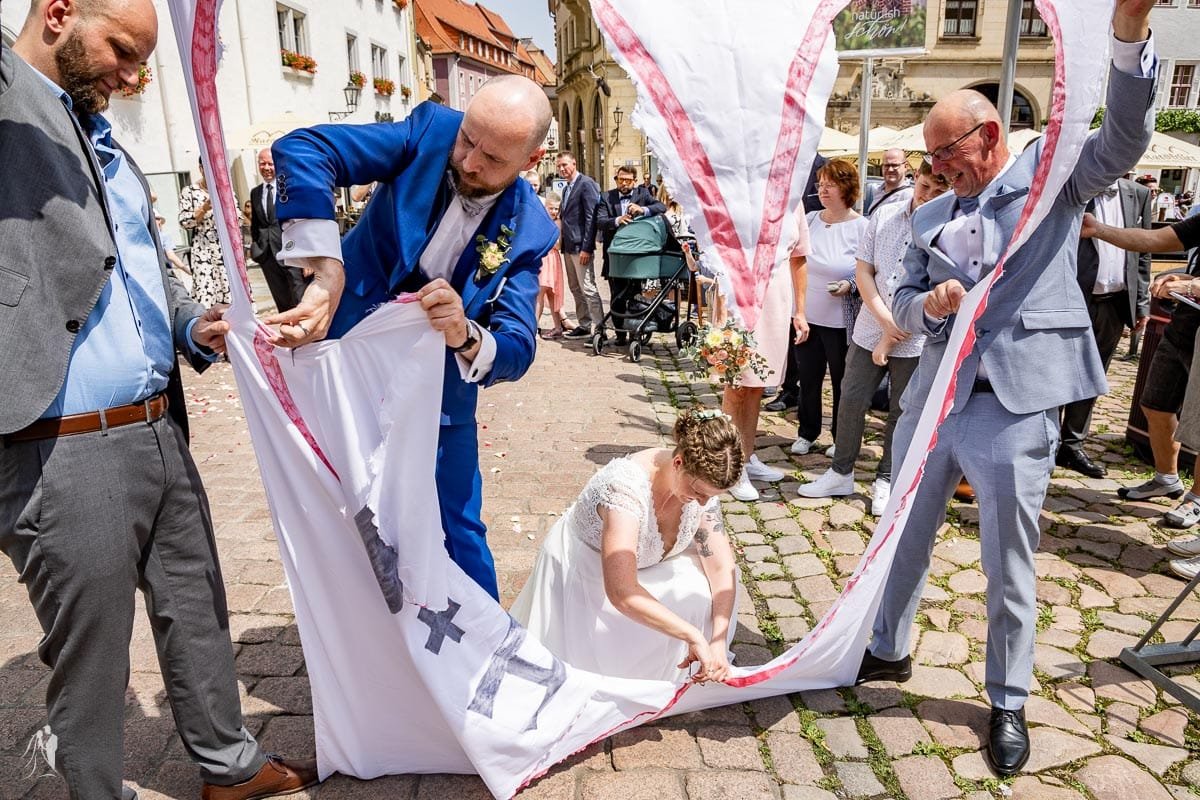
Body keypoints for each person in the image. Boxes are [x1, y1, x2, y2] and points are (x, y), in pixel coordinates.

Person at [0, 2, 317, 798]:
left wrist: (186, 322)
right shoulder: (11, 109)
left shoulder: (112, 145)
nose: (134, 75)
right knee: (94, 655)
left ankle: (228, 766)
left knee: (197, 608)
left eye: (142, 59)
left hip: (158, 428)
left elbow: (145, 262)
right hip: (60, 445)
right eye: (122, 50)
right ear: (60, 11)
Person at [855, 1, 1156, 778]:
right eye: (931, 158)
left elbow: (1123, 140)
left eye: (946, 153)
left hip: (1016, 409)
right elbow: (908, 299)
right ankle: (887, 649)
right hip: (934, 404)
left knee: (1008, 561)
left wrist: (1127, 36)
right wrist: (931, 305)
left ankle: (1009, 699)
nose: (937, 169)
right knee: (902, 538)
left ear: (987, 136)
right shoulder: (928, 218)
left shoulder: (1052, 179)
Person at [269, 75, 558, 601]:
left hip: (441, 395)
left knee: (460, 528)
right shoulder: (427, 132)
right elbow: (303, 148)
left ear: (531, 161)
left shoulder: (532, 229)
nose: (469, 162)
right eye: (469, 139)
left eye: (493, 159)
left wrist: (467, 334)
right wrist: (326, 269)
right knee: (344, 511)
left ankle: (480, 660)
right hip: (347, 359)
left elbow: (517, 345)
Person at [510, 410, 741, 683]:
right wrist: (691, 634)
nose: (703, 503)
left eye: (711, 497)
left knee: (703, 595)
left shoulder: (699, 486)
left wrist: (717, 639)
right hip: (591, 572)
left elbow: (721, 568)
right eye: (699, 493)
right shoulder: (625, 489)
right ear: (678, 462)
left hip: (652, 564)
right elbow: (621, 592)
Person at [797, 162, 950, 515]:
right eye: (924, 187)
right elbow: (864, 271)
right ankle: (841, 471)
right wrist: (883, 322)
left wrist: (894, 332)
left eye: (938, 192)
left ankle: (886, 477)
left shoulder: (948, 227)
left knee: (902, 409)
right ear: (917, 180)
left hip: (916, 335)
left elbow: (935, 291)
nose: (928, 197)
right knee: (851, 398)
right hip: (870, 326)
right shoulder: (886, 217)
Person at [1082, 211, 1200, 566]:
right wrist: (1099, 229)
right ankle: (1167, 478)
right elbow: (1156, 239)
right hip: (1184, 325)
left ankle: (1196, 499)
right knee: (1155, 404)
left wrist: (1192, 285)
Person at [1056, 177, 1153, 478]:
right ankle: (1043, 443)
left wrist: (1141, 303)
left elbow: (1143, 252)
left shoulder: (1139, 194)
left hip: (1115, 302)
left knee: (1093, 376)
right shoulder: (1077, 187)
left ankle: (1072, 445)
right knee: (1057, 372)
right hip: (1073, 297)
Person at [722, 205, 809, 502]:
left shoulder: (794, 197)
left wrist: (800, 310)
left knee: (758, 384)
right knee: (736, 386)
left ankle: (747, 455)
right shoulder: (741, 189)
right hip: (740, 300)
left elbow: (799, 257)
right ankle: (730, 466)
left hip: (777, 301)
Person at [789, 158, 869, 458]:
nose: (822, 190)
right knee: (808, 377)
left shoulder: (862, 226)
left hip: (842, 320)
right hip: (808, 314)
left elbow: (869, 270)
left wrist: (851, 284)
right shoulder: (810, 220)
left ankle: (840, 435)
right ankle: (807, 431)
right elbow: (796, 259)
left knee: (841, 381)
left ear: (846, 188)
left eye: (830, 185)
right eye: (820, 185)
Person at [595, 164, 667, 345]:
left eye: (628, 180)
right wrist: (617, 220)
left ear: (634, 181)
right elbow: (600, 221)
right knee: (617, 294)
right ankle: (620, 334)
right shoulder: (606, 197)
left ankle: (636, 330)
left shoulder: (642, 195)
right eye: (621, 180)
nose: (624, 183)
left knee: (635, 294)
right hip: (616, 255)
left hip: (639, 256)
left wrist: (644, 210)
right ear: (616, 179)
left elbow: (661, 207)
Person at [250, 148, 306, 312]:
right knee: (281, 301)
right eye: (262, 163)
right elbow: (255, 224)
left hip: (291, 251)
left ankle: (306, 333)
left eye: (270, 163)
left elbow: (300, 222)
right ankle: (289, 334)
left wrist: (307, 256)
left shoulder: (289, 188)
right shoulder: (255, 193)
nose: (266, 168)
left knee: (299, 297)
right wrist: (255, 247)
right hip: (267, 255)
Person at [555, 151, 603, 338]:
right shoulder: (567, 188)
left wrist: (587, 247)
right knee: (575, 288)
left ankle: (600, 329)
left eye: (565, 165)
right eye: (559, 166)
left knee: (588, 287)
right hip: (568, 246)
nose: (562, 169)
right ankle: (584, 324)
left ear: (574, 163)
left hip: (581, 246)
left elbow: (591, 217)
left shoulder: (586, 184)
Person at [178, 159, 231, 307]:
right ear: (201, 168)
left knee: (230, 289)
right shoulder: (189, 191)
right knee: (206, 291)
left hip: (225, 248)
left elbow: (238, 218)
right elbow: (185, 221)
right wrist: (204, 208)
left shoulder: (226, 189)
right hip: (203, 248)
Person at [537, 191, 570, 339]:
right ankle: (535, 326)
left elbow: (557, 244)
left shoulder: (557, 223)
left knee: (550, 293)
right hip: (543, 258)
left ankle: (556, 327)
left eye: (557, 209)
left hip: (551, 258)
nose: (554, 211)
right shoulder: (541, 220)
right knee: (540, 294)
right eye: (551, 208)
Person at [864, 147, 912, 216]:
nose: (890, 169)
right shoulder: (878, 191)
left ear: (906, 166)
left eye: (895, 165)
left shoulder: (908, 196)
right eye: (886, 165)